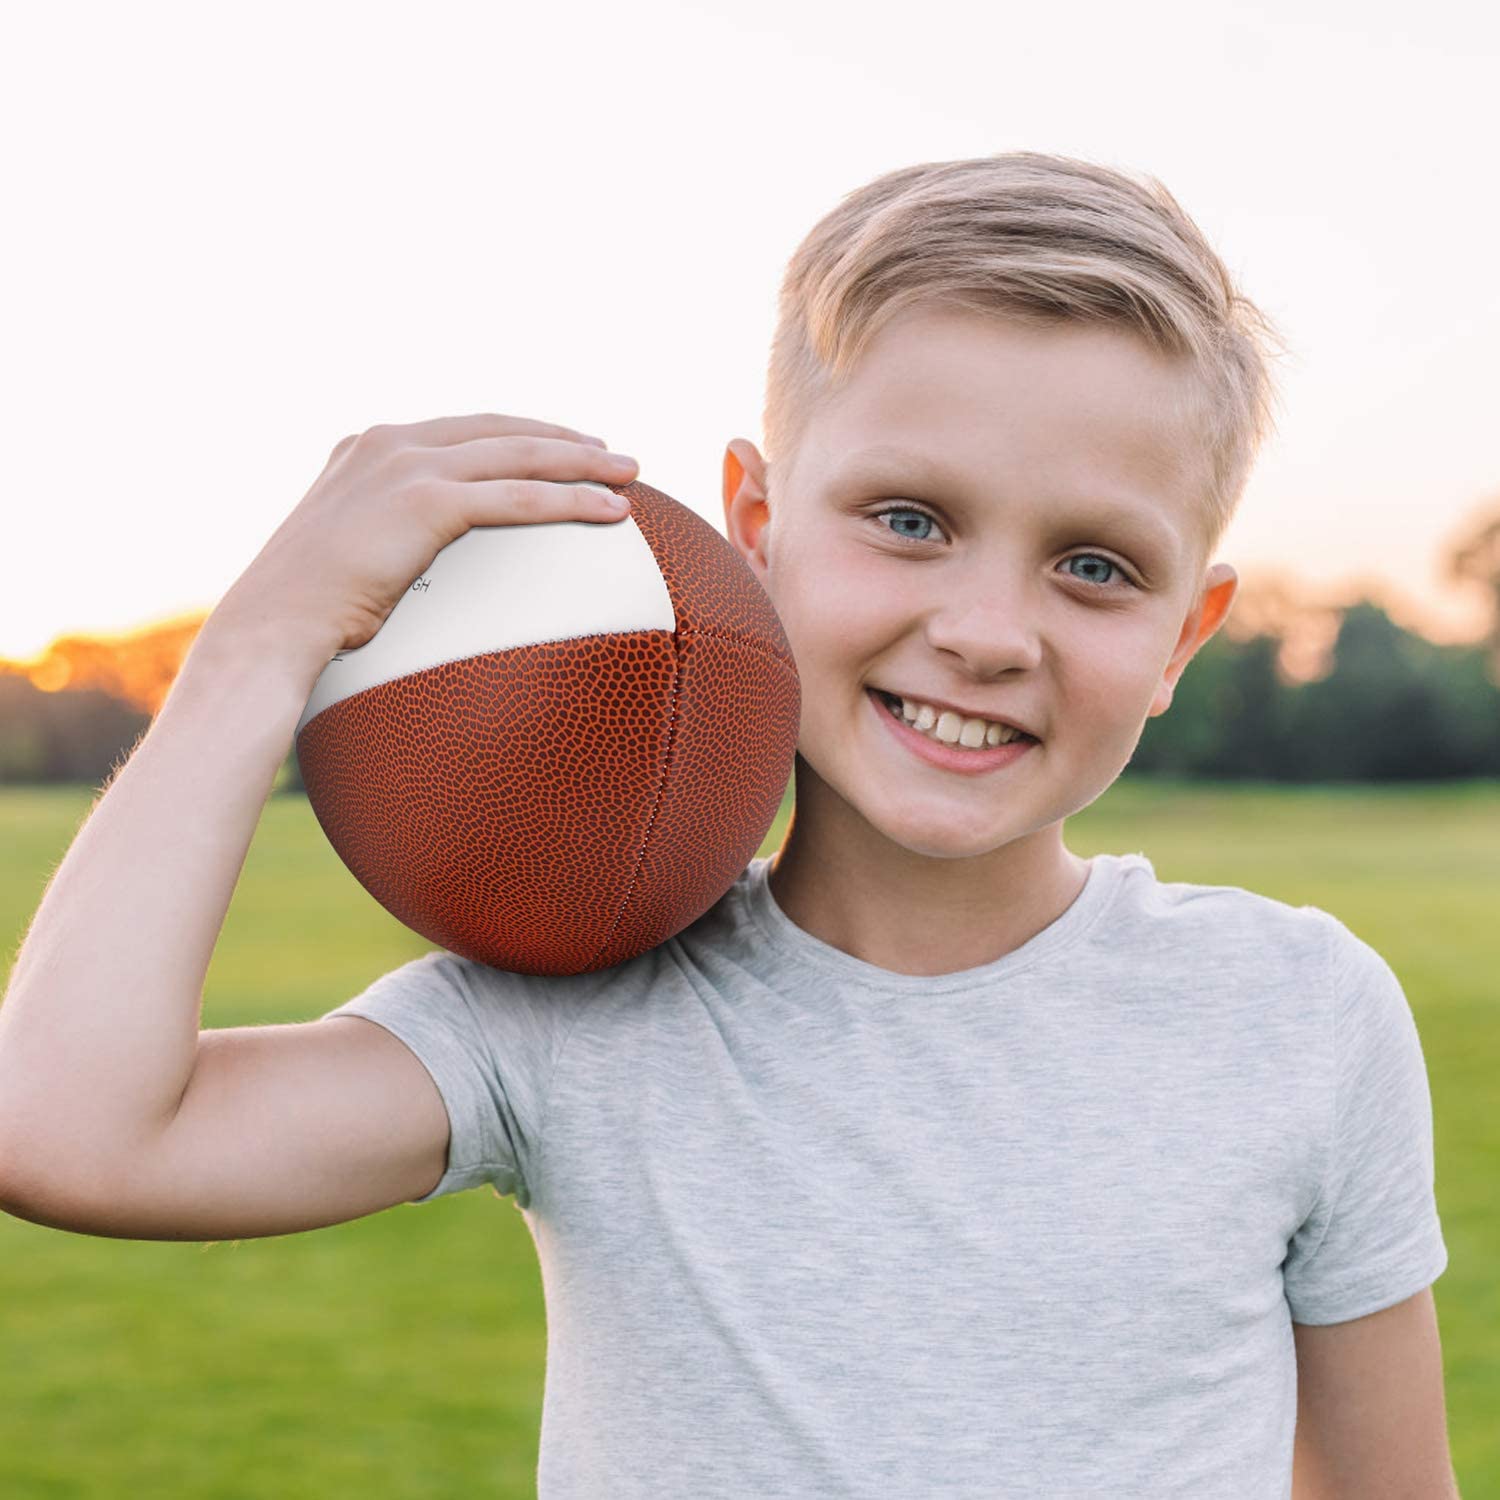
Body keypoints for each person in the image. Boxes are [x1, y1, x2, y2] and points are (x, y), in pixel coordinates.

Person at [0, 152, 1458, 1498]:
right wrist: (262, 643)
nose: (987, 631)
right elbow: (67, 1134)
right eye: (908, 518)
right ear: (751, 527)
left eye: (1094, 564)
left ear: (1186, 635)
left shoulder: (1299, 1015)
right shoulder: (577, 1008)